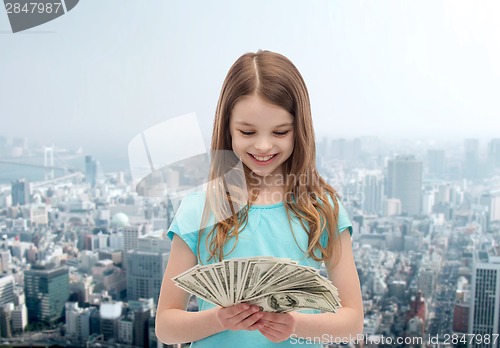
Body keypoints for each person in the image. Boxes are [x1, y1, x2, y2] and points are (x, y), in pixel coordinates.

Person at [156, 50, 364, 347]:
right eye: (247, 131)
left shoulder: (323, 209)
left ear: (299, 130)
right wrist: (218, 319)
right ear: (227, 128)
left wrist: (295, 324)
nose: (263, 145)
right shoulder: (199, 209)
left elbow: (352, 322)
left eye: (280, 132)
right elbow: (165, 326)